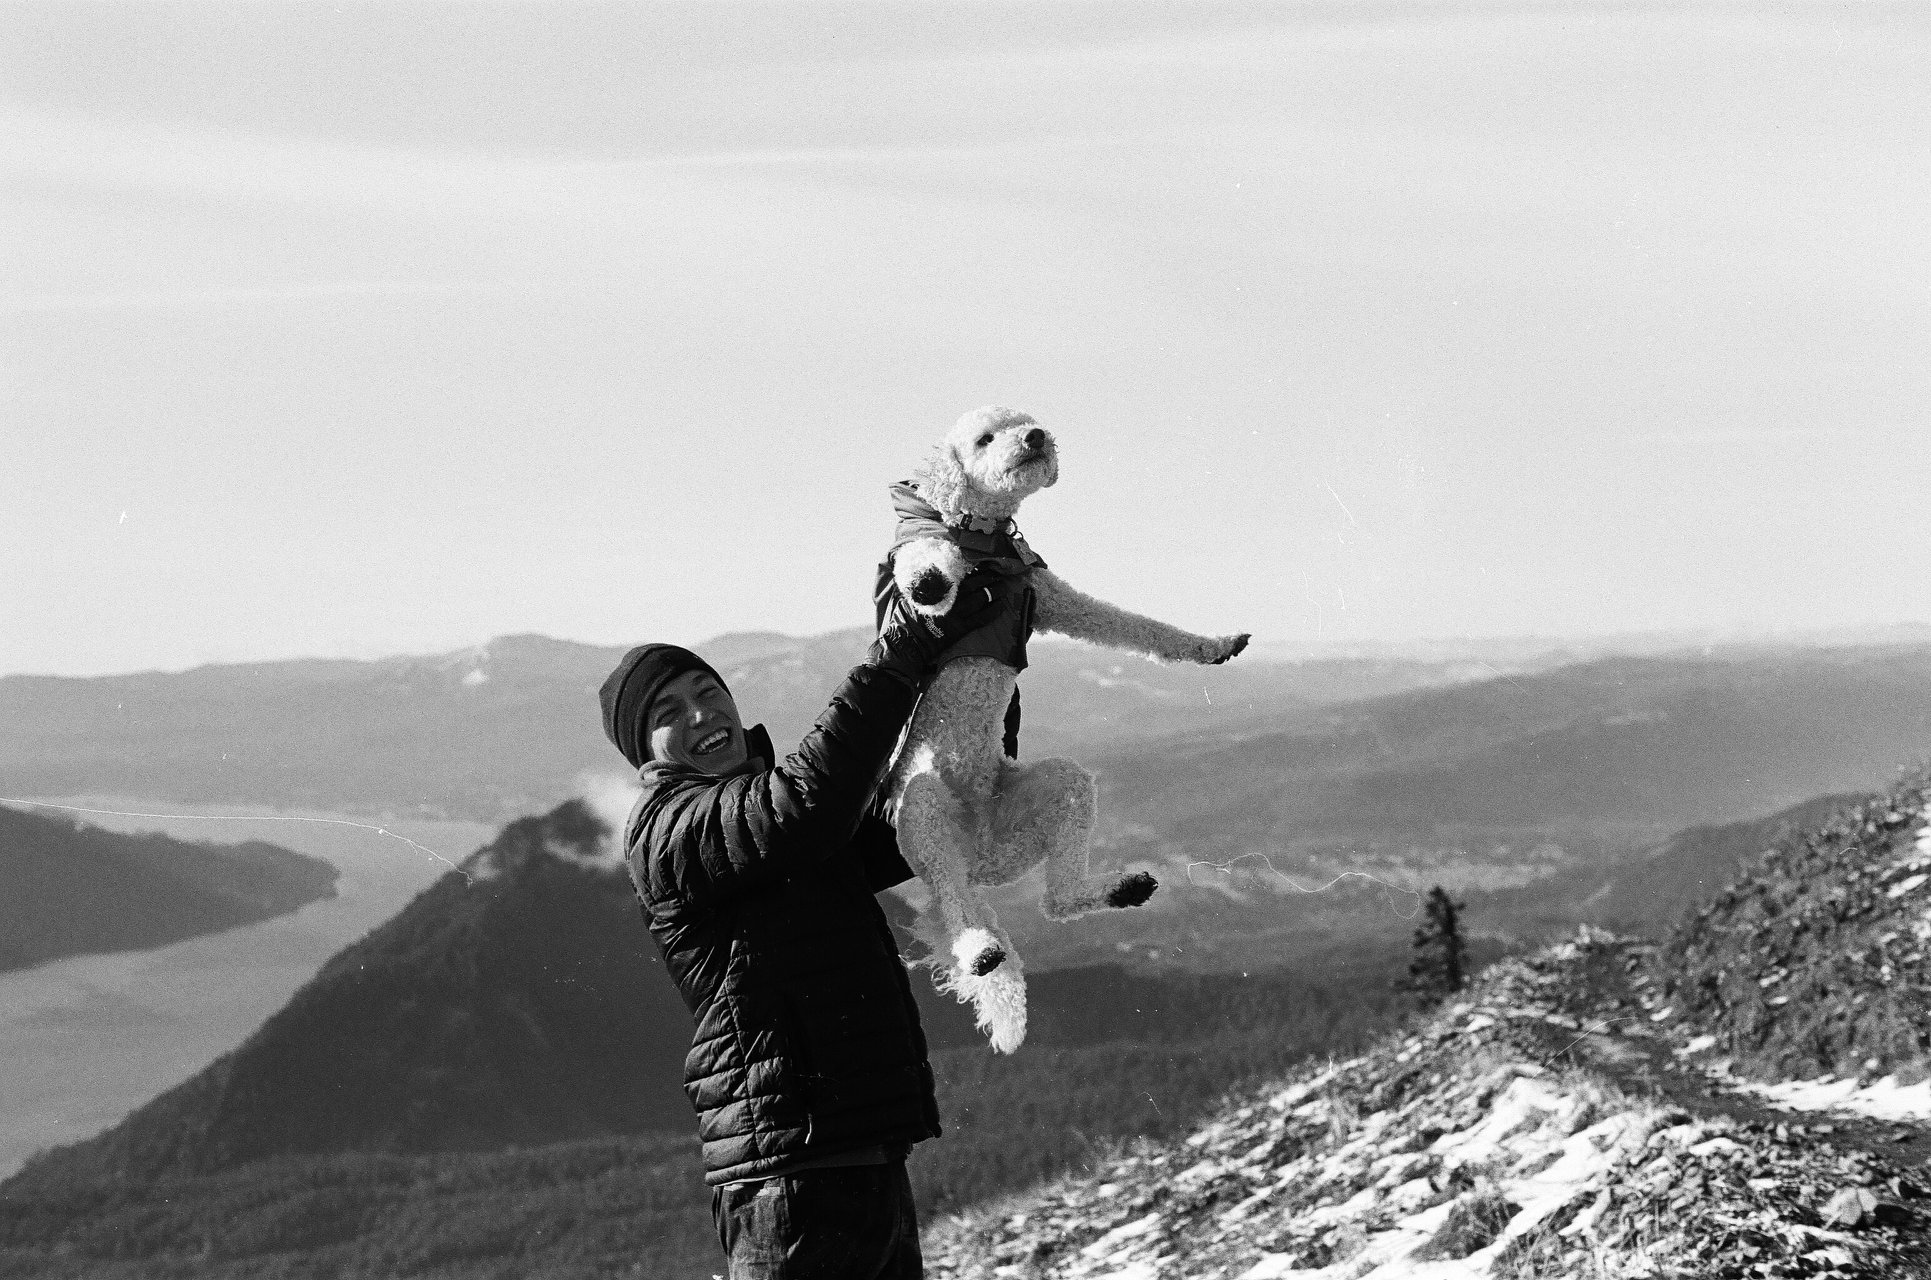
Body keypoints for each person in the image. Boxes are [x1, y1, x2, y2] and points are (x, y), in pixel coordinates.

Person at [599, 576, 1014, 1280]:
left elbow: (938, 812)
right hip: (790, 1183)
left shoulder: (775, 824)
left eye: (707, 692)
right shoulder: (675, 829)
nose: (701, 714)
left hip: (857, 1162)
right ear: (645, 753)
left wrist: (989, 666)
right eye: (669, 711)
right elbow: (808, 804)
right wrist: (900, 651)